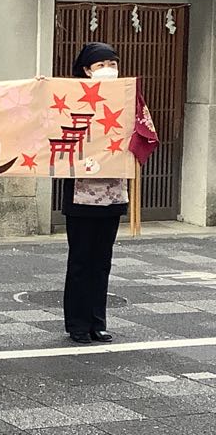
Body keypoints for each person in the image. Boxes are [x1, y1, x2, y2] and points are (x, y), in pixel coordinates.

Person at [62, 42, 126, 344]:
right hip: (82, 191)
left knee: (102, 261)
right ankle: (77, 323)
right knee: (80, 260)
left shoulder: (126, 97)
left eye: (112, 64)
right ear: (87, 70)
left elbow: (142, 131)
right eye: (101, 65)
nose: (108, 69)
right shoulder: (71, 97)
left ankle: (97, 322)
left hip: (113, 190)